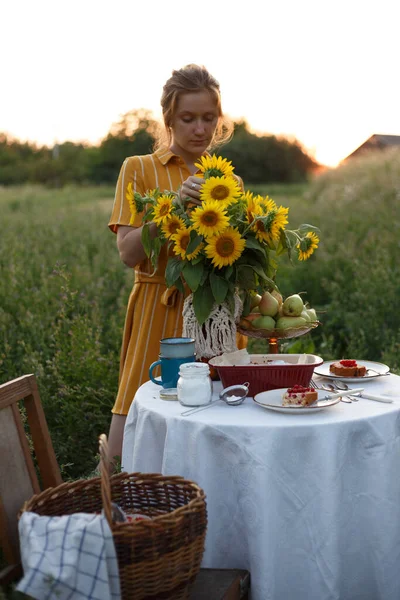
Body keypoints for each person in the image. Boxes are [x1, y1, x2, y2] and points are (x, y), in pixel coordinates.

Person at [107, 64, 239, 462]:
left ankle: (189, 515)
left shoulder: (225, 179)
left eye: (208, 118)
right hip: (157, 310)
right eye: (188, 118)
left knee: (216, 425)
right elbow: (128, 252)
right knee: (129, 422)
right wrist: (174, 209)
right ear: (169, 118)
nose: (200, 129)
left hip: (214, 315)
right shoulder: (140, 168)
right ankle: (116, 510)